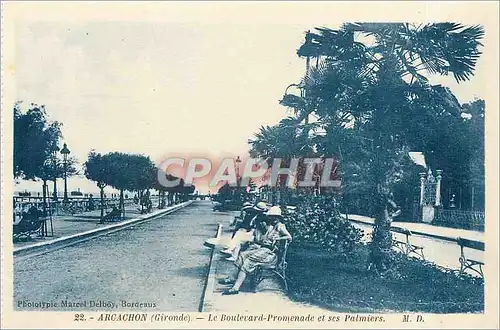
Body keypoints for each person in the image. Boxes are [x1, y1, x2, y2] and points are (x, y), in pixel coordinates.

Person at [220, 206, 292, 295]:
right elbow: (263, 240)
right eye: (271, 216)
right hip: (264, 250)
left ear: (278, 217)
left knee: (249, 261)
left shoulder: (280, 226)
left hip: (271, 254)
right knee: (243, 255)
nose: (273, 219)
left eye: (275, 217)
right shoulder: (270, 227)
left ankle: (236, 288)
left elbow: (289, 237)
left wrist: (279, 238)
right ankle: (233, 278)